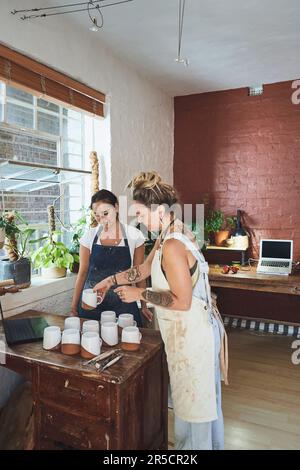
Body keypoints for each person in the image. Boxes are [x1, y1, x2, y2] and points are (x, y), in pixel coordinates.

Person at [93, 172, 228, 450]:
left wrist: (140, 293)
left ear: (160, 210)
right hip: (189, 333)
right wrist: (111, 280)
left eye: (141, 213)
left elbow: (181, 301)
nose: (138, 220)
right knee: (194, 405)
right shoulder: (170, 233)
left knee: (195, 411)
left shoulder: (174, 246)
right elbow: (143, 269)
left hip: (193, 338)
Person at [71, 189, 152, 326]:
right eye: (97, 215)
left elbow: (140, 273)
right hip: (91, 304)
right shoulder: (89, 236)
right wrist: (73, 307)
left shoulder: (134, 235)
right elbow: (82, 273)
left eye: (106, 213)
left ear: (116, 207)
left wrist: (143, 306)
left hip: (123, 305)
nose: (102, 219)